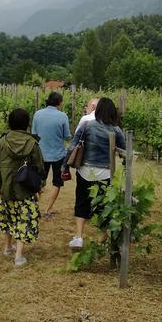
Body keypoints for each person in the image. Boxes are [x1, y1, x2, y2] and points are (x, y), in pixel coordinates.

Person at [67, 97, 126, 250]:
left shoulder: (87, 125)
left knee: (81, 202)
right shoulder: (116, 130)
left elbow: (72, 146)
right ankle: (102, 238)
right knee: (103, 206)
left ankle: (79, 237)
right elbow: (124, 151)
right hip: (105, 173)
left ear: (97, 110)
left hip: (85, 170)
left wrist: (64, 167)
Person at [0, 108, 44, 267]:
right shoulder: (32, 143)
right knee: (24, 218)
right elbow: (39, 168)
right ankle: (19, 256)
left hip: (6, 188)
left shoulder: (1, 142)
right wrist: (38, 188)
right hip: (25, 188)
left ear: (10, 123)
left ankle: (8, 247)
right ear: (27, 124)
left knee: (8, 216)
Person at [31, 91, 71, 218]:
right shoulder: (63, 116)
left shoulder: (37, 114)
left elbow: (34, 134)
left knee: (39, 181)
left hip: (41, 153)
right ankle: (48, 209)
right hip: (58, 154)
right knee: (57, 182)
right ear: (59, 103)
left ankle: (34, 208)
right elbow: (66, 136)